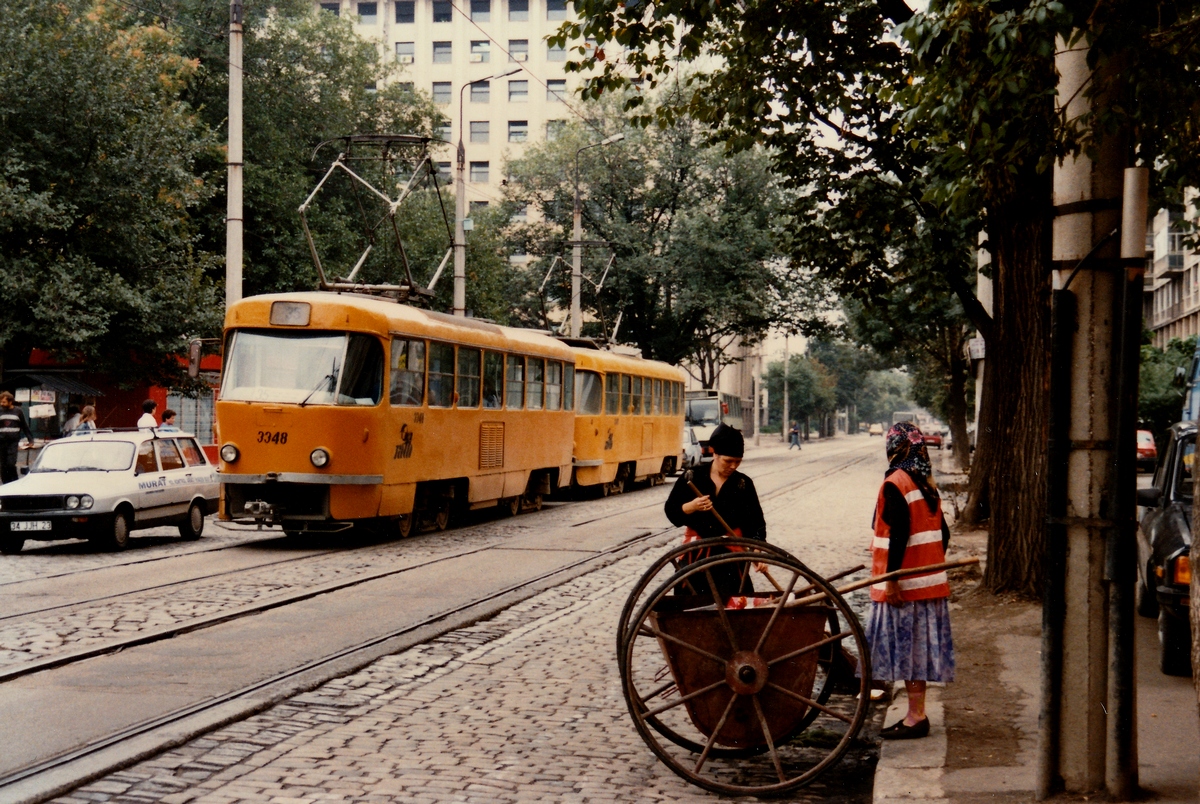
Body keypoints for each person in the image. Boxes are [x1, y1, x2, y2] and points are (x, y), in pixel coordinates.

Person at [868, 421, 954, 740]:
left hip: (904, 588)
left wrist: (892, 582)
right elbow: (943, 534)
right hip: (927, 586)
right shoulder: (926, 483)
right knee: (917, 653)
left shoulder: (895, 482)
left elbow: (899, 534)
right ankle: (916, 713)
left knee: (908, 653)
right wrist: (928, 566)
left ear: (895, 447)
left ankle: (916, 717)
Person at [664, 423, 766, 597]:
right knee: (688, 602)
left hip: (730, 559)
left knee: (735, 603)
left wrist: (757, 551)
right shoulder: (692, 477)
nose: (733, 466)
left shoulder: (743, 484)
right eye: (728, 461)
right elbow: (671, 511)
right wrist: (691, 506)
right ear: (715, 453)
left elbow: (756, 523)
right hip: (697, 556)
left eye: (738, 461)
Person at [0, 391, 34, 484]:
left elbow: (24, 426)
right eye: (1, 402)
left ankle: (14, 481)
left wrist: (30, 439)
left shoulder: (18, 412)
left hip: (13, 442)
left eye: (4, 402)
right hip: (2, 442)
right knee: (3, 465)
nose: (1, 404)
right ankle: (6, 484)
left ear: (10, 402)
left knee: (11, 464)